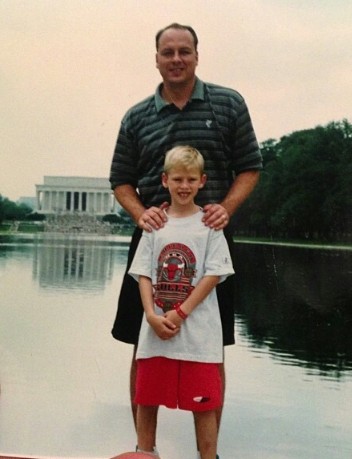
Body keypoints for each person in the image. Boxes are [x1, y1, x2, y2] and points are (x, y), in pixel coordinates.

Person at [109, 22, 262, 455]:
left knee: (211, 347)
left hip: (209, 241)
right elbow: (121, 180)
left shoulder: (228, 104)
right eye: (168, 52)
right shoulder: (137, 116)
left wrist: (226, 208)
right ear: (156, 58)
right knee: (143, 344)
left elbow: (251, 166)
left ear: (197, 55)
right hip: (153, 242)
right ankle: (145, 450)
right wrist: (142, 216)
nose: (176, 59)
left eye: (184, 51)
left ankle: (208, 452)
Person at [129, 145, 234, 458]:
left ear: (202, 181)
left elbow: (213, 275)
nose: (184, 186)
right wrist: (150, 314)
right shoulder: (156, 225)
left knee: (204, 405)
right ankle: (144, 453)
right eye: (177, 179)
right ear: (165, 180)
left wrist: (180, 313)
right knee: (146, 399)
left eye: (190, 179)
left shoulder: (209, 226)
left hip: (198, 337)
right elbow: (144, 274)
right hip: (156, 332)